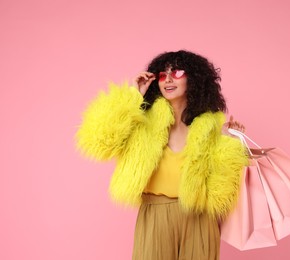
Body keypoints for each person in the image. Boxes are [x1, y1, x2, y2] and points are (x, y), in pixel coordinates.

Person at [75, 50, 248, 260]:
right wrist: (133, 96)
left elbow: (220, 193)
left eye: (176, 72)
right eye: (162, 74)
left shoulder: (212, 124)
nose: (168, 79)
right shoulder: (142, 118)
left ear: (193, 77)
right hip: (155, 215)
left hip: (199, 217)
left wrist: (228, 143)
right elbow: (98, 140)